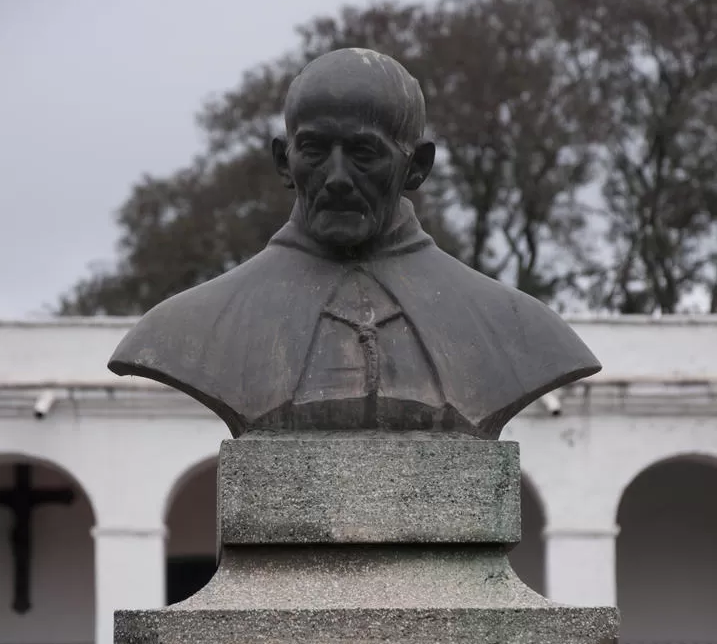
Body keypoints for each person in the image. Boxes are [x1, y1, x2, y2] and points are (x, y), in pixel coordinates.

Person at [109, 48, 600, 436]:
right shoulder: (188, 329)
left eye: (365, 152)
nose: (337, 177)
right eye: (315, 150)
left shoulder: (518, 331)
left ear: (417, 167)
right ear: (285, 161)